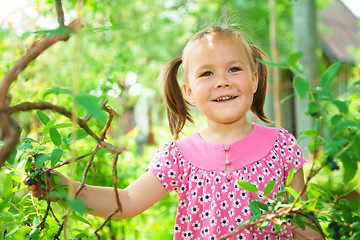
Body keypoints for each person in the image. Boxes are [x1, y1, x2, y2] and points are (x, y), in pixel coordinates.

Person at [27, 25, 324, 240]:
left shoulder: (280, 145)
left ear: (255, 79)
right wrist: (67, 189)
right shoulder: (178, 156)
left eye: (234, 69)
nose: (222, 81)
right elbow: (128, 201)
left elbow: (301, 222)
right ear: (189, 91)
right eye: (207, 73)